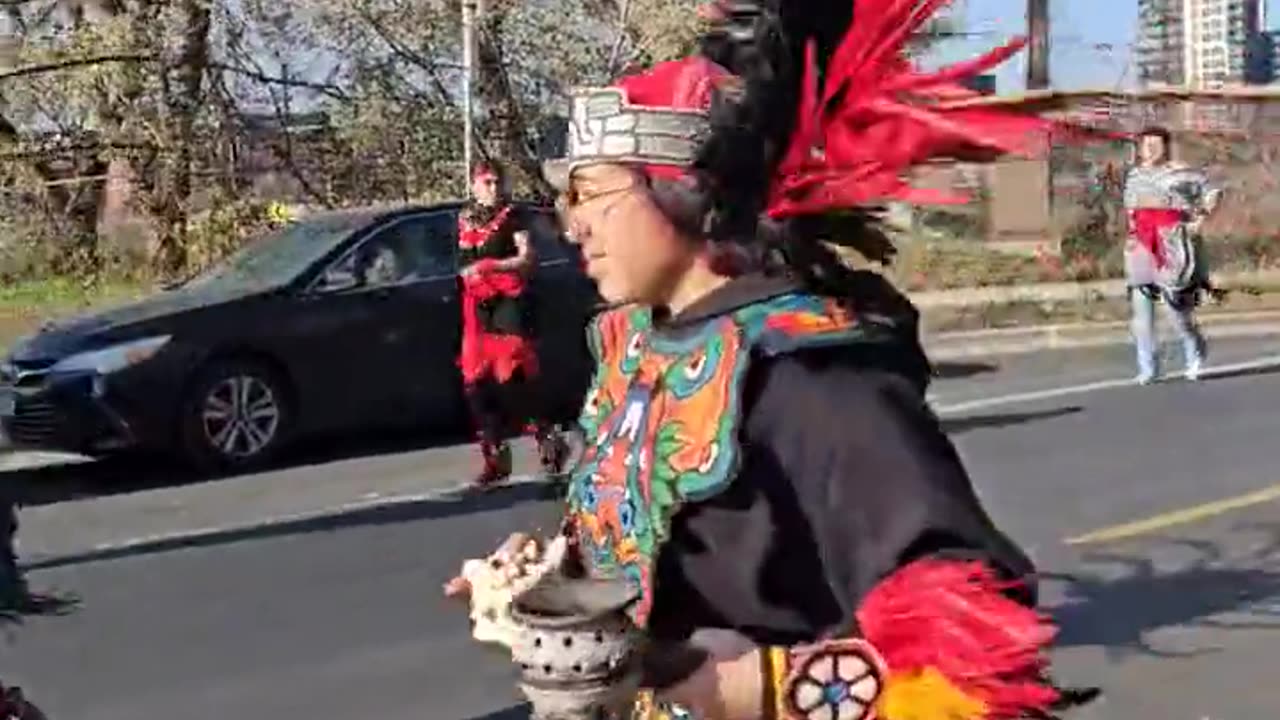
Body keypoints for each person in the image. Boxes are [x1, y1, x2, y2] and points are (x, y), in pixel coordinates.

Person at [447, 1, 1097, 718]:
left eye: (590, 192)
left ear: (683, 190)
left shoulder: (804, 371)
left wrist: (763, 688)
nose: (571, 224)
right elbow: (660, 548)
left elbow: (970, 669)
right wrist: (550, 575)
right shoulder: (635, 342)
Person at [457, 161, 568, 488]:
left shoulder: (511, 217)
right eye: (486, 182)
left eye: (496, 182)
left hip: (509, 300)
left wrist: (494, 265)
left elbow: (527, 257)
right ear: (474, 185)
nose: (492, 188)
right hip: (477, 304)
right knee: (476, 382)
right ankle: (495, 455)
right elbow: (462, 261)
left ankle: (548, 438)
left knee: (514, 377)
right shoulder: (465, 218)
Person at [1123, 125, 1223, 384]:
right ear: (1140, 147)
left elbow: (1213, 191)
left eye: (1157, 144)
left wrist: (1200, 218)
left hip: (1173, 242)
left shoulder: (1182, 172)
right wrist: (1132, 235)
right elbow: (1131, 210)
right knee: (1141, 313)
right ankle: (1148, 367)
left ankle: (1195, 348)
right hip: (1141, 244)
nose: (1151, 148)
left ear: (1166, 146)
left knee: (1176, 309)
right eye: (1147, 144)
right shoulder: (1134, 175)